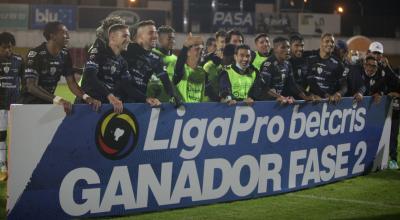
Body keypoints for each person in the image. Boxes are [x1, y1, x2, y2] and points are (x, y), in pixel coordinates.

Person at [19, 21, 100, 114]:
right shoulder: (35, 54)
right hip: (27, 107)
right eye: (64, 33)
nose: (68, 36)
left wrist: (88, 98)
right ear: (53, 36)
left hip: (48, 106)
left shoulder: (65, 55)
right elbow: (31, 86)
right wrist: (59, 100)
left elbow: (72, 84)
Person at [121, 20, 181, 107]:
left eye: (156, 33)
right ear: (140, 36)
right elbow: (122, 82)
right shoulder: (126, 51)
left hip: (139, 103)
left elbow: (165, 80)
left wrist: (174, 96)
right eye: (151, 33)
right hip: (119, 103)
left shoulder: (156, 58)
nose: (155, 36)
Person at [79, 23, 132, 114]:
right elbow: (90, 76)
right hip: (88, 106)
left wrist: (146, 99)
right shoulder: (98, 51)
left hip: (108, 107)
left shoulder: (123, 62)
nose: (129, 40)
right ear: (112, 37)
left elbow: (127, 87)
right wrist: (110, 96)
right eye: (125, 36)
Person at [367, 41, 400, 169]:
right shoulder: (365, 68)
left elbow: (397, 84)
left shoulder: (387, 69)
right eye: (375, 52)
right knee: (374, 134)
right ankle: (373, 159)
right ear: (369, 52)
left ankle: (393, 159)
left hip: (392, 109)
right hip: (374, 109)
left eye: (379, 53)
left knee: (393, 134)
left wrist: (388, 68)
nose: (377, 55)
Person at [256, 37, 314, 104]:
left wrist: (305, 97)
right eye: (283, 47)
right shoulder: (268, 64)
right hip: (264, 103)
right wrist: (279, 97)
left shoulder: (287, 64)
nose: (287, 50)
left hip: (278, 102)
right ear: (275, 49)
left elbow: (292, 84)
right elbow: (264, 88)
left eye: (288, 47)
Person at [0, 32, 24, 181]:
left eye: (10, 47)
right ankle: (2, 166)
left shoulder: (19, 61)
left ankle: (16, 165)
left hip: (16, 105)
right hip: (0, 106)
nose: (8, 50)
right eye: (4, 48)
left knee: (17, 137)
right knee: (1, 137)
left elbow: (26, 83)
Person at [306, 33, 347, 104]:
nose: (330, 44)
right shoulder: (310, 59)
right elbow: (310, 82)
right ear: (321, 43)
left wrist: (339, 93)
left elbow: (344, 86)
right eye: (327, 41)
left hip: (330, 104)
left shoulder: (338, 64)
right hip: (313, 102)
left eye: (332, 42)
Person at [173, 33, 207, 102]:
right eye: (197, 49)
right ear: (188, 53)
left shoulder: (202, 72)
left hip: (197, 111)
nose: (200, 52)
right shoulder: (182, 69)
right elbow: (179, 64)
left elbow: (209, 91)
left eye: (202, 50)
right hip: (183, 111)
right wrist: (185, 46)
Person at [147, 25, 178, 102]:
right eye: (169, 38)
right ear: (159, 39)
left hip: (169, 102)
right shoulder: (150, 55)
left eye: (173, 38)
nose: (172, 41)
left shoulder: (175, 59)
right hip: (150, 102)